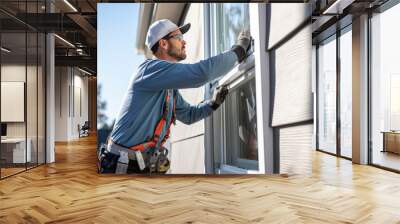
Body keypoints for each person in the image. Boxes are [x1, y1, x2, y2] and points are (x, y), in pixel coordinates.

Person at [98, 19, 252, 174]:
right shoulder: (148, 70)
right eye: (179, 38)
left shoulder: (169, 90)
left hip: (141, 167)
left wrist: (213, 103)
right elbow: (202, 74)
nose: (184, 42)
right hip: (120, 166)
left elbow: (189, 115)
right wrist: (239, 50)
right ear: (164, 44)